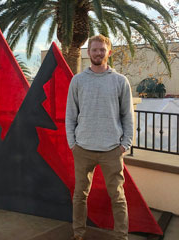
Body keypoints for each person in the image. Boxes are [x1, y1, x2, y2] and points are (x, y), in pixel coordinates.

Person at [65, 34, 134, 240]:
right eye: (94, 50)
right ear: (89, 53)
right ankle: (78, 234)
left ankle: (121, 236)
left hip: (112, 150)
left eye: (102, 50)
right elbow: (70, 115)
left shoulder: (120, 81)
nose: (98, 53)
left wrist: (125, 145)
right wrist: (72, 143)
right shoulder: (78, 81)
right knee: (79, 196)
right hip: (83, 149)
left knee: (118, 197)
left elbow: (127, 116)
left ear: (109, 52)